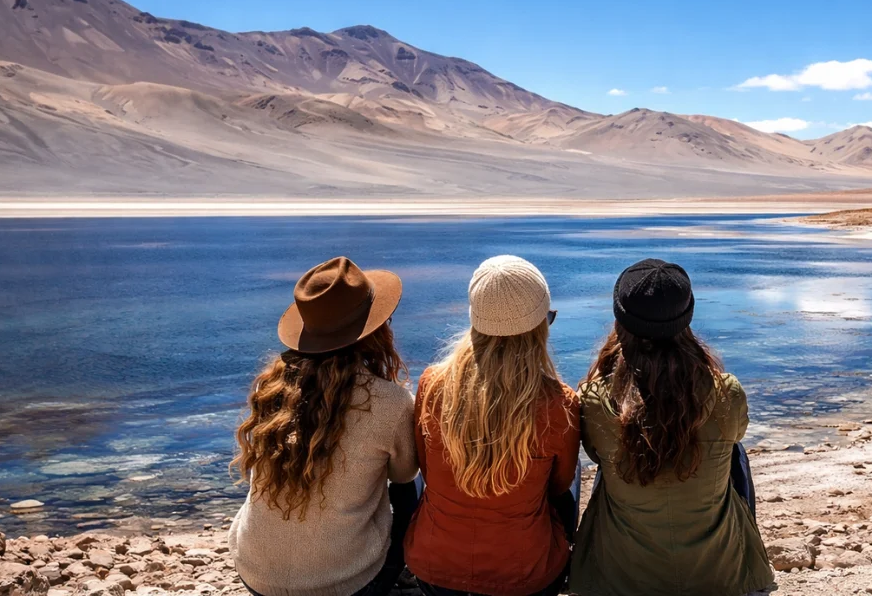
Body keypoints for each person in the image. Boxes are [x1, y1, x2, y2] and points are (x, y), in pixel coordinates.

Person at [571, 259, 774, 596]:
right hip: (719, 575)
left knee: (609, 466)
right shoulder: (727, 392)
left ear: (620, 320)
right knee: (734, 452)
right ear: (686, 318)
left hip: (619, 578)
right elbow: (736, 433)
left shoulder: (594, 399)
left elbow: (593, 450)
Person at [229, 257, 419, 596]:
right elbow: (403, 475)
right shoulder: (390, 402)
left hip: (256, 574)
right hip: (345, 584)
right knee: (411, 484)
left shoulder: (270, 390)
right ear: (376, 330)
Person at [405, 255, 580, 596]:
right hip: (524, 574)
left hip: (434, 565)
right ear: (539, 327)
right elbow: (558, 487)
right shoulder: (559, 404)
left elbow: (426, 470)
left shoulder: (432, 385)